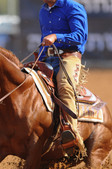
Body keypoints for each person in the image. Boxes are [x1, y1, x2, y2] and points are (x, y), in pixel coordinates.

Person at [39, 0, 88, 156]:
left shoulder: (73, 7)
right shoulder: (43, 11)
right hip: (47, 57)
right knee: (24, 79)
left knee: (64, 85)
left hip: (69, 57)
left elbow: (79, 36)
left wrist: (55, 37)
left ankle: (71, 133)